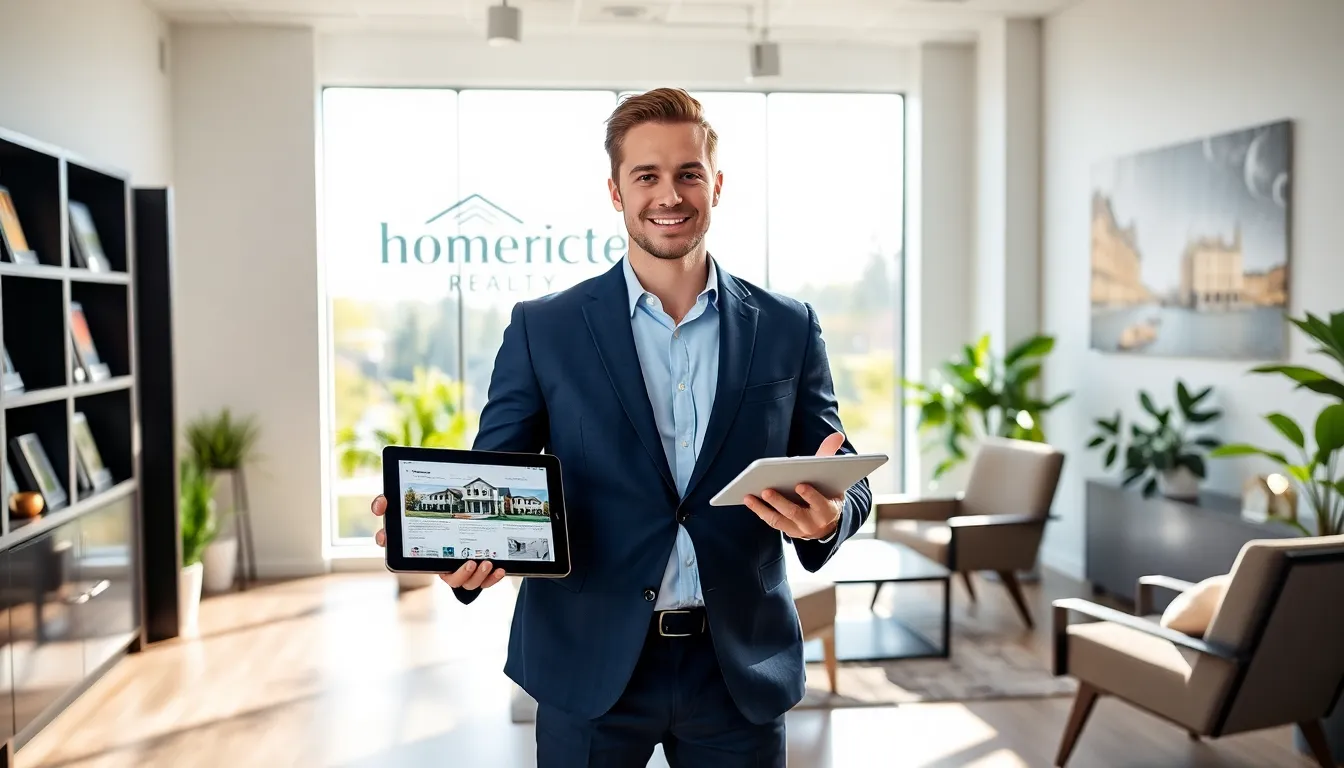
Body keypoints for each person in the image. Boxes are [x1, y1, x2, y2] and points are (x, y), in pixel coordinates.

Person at [370, 87, 873, 767]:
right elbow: (497, 475)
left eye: (688, 173)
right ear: (615, 191)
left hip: (736, 670)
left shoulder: (788, 326)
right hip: (589, 663)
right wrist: (452, 543)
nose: (670, 194)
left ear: (716, 185)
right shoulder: (543, 328)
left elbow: (838, 466)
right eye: (647, 176)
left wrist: (829, 520)